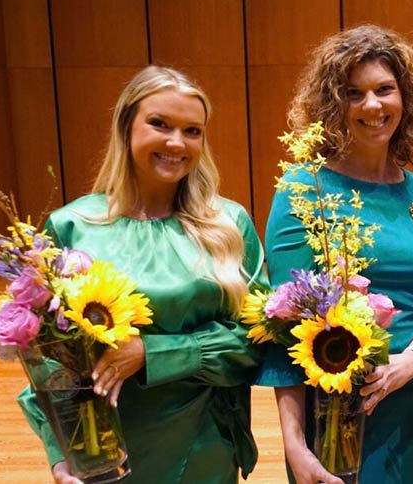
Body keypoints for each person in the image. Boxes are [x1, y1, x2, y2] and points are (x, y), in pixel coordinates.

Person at [19, 66, 268, 484]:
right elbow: (45, 361)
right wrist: (59, 453)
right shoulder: (72, 226)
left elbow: (256, 342)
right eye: (160, 124)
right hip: (101, 445)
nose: (177, 143)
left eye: (192, 131)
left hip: (204, 444)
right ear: (126, 127)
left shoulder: (228, 224)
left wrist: (152, 354)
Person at [254, 24, 413, 484]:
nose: (372, 106)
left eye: (384, 90)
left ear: (406, 98)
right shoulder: (304, 189)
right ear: (332, 104)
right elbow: (283, 328)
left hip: (410, 407)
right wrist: (293, 443)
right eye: (353, 93)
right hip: (332, 415)